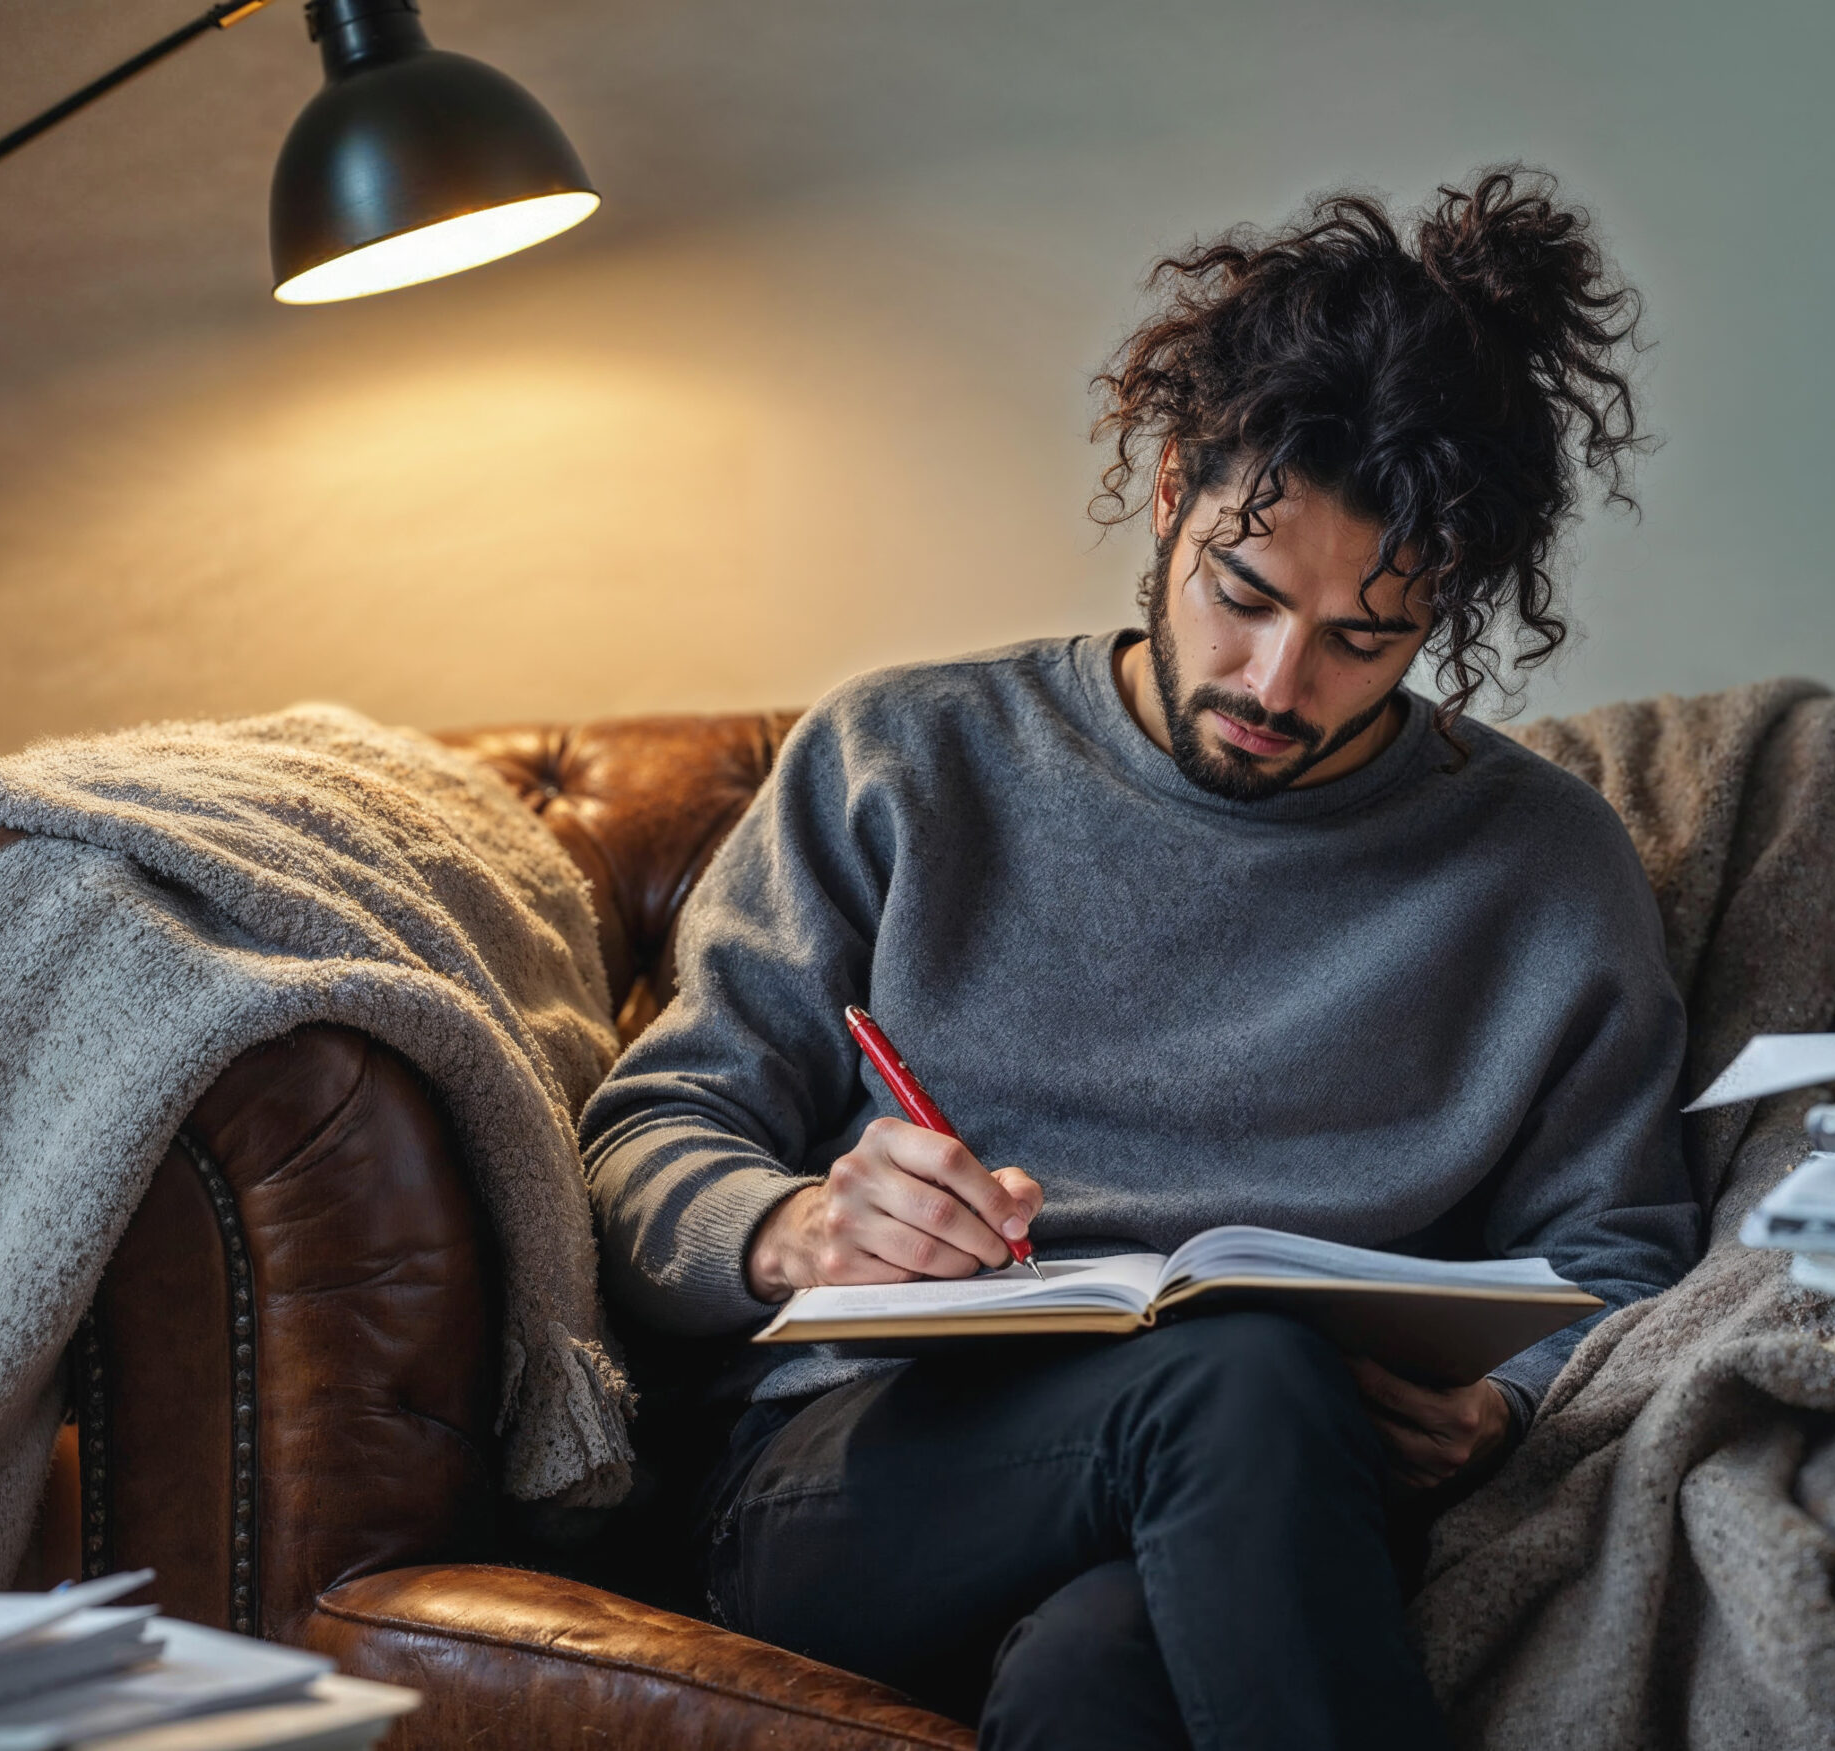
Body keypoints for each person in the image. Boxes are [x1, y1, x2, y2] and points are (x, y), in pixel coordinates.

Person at [579, 167, 1700, 1751]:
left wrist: (1502, 1408)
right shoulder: (903, 759)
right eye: (1245, 596)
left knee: (1106, 1674)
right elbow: (646, 1140)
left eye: (1362, 638)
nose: (1278, 682)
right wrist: (799, 1229)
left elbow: (1622, 1252)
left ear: (1441, 602)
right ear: (1175, 491)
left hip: (1279, 1510)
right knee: (1240, 1378)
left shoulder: (1540, 864)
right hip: (854, 1483)